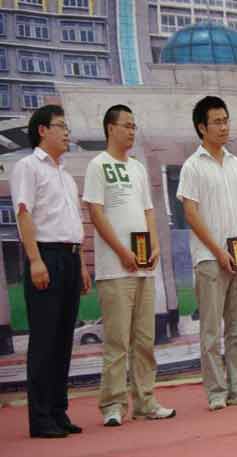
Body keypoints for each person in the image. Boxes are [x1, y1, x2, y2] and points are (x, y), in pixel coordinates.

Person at [83, 104, 175, 426]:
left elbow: (148, 210)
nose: (132, 131)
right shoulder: (98, 165)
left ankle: (145, 400)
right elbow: (95, 213)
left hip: (143, 267)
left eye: (135, 126)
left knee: (144, 340)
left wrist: (155, 244)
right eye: (127, 125)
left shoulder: (137, 168)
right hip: (114, 268)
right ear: (111, 128)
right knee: (117, 341)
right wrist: (122, 252)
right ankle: (112, 404)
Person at [177, 96, 237, 411]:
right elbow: (190, 213)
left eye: (226, 120)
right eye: (217, 121)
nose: (224, 127)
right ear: (201, 127)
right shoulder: (192, 166)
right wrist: (218, 252)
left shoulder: (235, 163)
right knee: (211, 331)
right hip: (209, 259)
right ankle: (216, 391)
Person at [10, 104, 91, 438]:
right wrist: (35, 260)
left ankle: (58, 412)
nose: (67, 133)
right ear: (43, 130)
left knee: (63, 340)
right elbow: (24, 214)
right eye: (61, 126)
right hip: (45, 256)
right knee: (44, 341)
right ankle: (41, 418)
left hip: (70, 257)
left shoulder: (65, 175)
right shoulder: (27, 167)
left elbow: (73, 224)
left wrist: (81, 265)